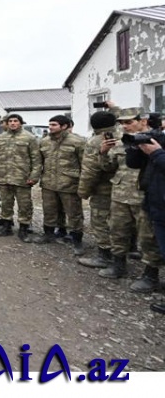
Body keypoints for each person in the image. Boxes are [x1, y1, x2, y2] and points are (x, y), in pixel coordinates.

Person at [98, 108, 163, 284]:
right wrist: (103, 153)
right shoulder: (120, 142)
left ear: (143, 121)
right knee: (117, 231)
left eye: (129, 122)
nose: (125, 126)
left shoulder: (158, 141)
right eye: (122, 123)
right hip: (120, 195)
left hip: (145, 197)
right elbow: (108, 168)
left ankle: (150, 275)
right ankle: (118, 265)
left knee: (148, 237)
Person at [35, 115, 86, 251]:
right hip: (49, 184)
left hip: (69, 184)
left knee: (73, 213)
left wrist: (83, 184)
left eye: (54, 125)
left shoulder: (77, 142)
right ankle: (50, 234)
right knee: (50, 210)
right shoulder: (44, 142)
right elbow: (39, 162)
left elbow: (85, 164)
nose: (50, 127)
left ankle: (76, 240)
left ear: (64, 126)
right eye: (50, 124)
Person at [128, 132, 165, 313]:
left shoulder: (159, 151)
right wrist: (136, 148)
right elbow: (134, 164)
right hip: (156, 204)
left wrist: (157, 153)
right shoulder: (158, 140)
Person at [77, 110, 118, 268]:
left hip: (103, 189)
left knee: (100, 221)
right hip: (125, 189)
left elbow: (90, 169)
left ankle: (105, 255)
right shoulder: (123, 136)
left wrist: (83, 191)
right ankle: (129, 250)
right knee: (122, 221)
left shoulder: (96, 141)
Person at [0, 113, 41, 238]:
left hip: (22, 178)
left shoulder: (29, 138)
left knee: (24, 205)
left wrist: (34, 176)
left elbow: (36, 159)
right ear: (7, 123)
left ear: (20, 123)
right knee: (6, 204)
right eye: (10, 121)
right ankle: (6, 227)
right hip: (4, 177)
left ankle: (23, 228)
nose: (12, 123)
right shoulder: (0, 138)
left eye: (15, 121)